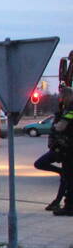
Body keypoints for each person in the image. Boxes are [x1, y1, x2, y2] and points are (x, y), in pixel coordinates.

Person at [49, 86, 73, 216]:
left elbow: (60, 127)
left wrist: (55, 125)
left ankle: (69, 207)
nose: (61, 99)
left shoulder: (71, 109)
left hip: (69, 149)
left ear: (67, 96)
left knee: (69, 178)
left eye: (62, 97)